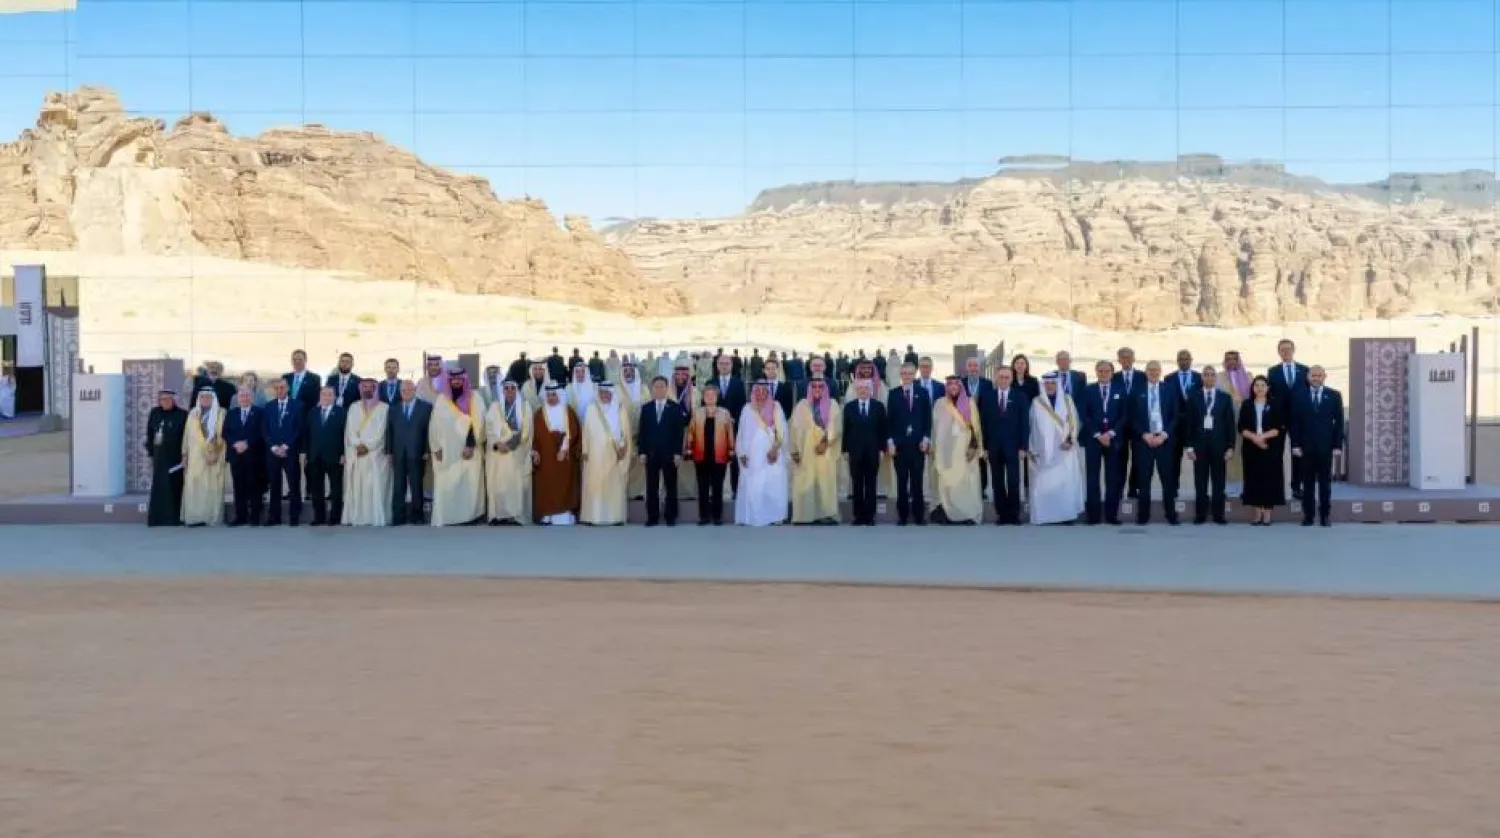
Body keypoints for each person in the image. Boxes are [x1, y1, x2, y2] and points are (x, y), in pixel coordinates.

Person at [429, 365, 486, 527]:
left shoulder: (475, 398)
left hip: (469, 450)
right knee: (448, 482)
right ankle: (449, 516)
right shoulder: (442, 399)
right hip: (447, 451)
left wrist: (470, 445)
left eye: (459, 379)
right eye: (453, 379)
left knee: (469, 483)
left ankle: (469, 517)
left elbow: (479, 424)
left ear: (464, 380)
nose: (456, 382)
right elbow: (434, 425)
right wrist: (436, 448)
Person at [1289, 365, 1344, 528]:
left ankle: (1325, 515)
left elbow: (1339, 423)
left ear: (1325, 376)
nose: (1316, 378)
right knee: (1307, 484)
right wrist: (1295, 444)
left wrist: (1337, 445)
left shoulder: (1334, 395)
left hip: (1325, 448)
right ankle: (1308, 516)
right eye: (1313, 375)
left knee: (1325, 484)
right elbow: (1295, 423)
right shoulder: (1298, 396)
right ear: (1308, 377)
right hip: (1305, 448)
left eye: (1319, 375)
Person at [1027, 373, 1084, 525]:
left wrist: (1070, 440)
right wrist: (1032, 448)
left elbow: (1074, 423)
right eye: (1047, 383)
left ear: (1057, 384)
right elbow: (1032, 427)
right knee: (1046, 483)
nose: (1050, 386)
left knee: (1065, 483)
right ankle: (1046, 516)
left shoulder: (1067, 400)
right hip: (1044, 451)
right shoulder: (1037, 402)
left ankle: (1066, 516)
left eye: (1052, 383)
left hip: (1065, 449)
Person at [1129, 361, 1181, 526]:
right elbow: (1132, 417)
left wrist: (1164, 435)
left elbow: (1175, 415)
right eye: (1150, 370)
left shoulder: (1170, 389)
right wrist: (1144, 434)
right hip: (1144, 441)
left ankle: (1171, 514)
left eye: (1156, 370)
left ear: (1160, 371)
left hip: (1164, 440)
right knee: (1144, 481)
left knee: (1168, 480)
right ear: (1145, 372)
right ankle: (1143, 515)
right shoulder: (1136, 391)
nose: (1153, 372)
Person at [1185, 366, 1236, 526]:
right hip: (1199, 447)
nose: (1209, 377)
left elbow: (1230, 425)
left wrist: (1230, 447)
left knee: (1219, 482)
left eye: (1212, 374)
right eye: (1206, 374)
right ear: (1202, 378)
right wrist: (1189, 447)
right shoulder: (1193, 397)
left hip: (1219, 447)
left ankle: (1218, 514)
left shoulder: (1225, 398)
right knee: (1200, 482)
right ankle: (1200, 514)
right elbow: (1188, 424)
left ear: (1216, 378)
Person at [789, 377, 843, 525]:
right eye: (814, 387)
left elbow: (836, 426)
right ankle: (804, 516)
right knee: (805, 482)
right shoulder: (802, 405)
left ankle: (827, 515)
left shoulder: (833, 404)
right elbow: (793, 428)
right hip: (806, 452)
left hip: (825, 451)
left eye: (820, 387)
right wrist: (794, 450)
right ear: (809, 389)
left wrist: (826, 441)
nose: (817, 390)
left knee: (825, 484)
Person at [734, 380, 789, 526]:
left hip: (773, 453)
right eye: (758, 391)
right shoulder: (747, 408)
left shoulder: (776, 407)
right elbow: (741, 433)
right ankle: (753, 516)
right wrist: (742, 453)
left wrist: (775, 449)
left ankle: (775, 516)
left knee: (774, 483)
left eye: (765, 391)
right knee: (755, 484)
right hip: (753, 455)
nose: (761, 394)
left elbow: (782, 431)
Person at [979, 366, 1029, 525]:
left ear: (1011, 379)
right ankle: (1002, 514)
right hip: (993, 447)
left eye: (1007, 377)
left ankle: (1014, 515)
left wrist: (1023, 447)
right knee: (997, 482)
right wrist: (984, 447)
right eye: (1001, 377)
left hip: (1014, 447)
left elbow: (1024, 424)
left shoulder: (1020, 397)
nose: (1004, 380)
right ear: (995, 378)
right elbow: (983, 424)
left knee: (1014, 482)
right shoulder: (987, 397)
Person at [931, 376, 984, 525]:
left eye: (956, 384)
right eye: (950, 385)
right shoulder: (940, 403)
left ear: (960, 387)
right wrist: (935, 449)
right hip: (946, 451)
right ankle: (948, 514)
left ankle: (966, 514)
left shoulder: (969, 402)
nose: (953, 387)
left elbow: (975, 427)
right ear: (946, 387)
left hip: (964, 450)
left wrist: (974, 447)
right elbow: (935, 428)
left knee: (965, 483)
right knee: (947, 483)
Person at [1080, 360, 1126, 525]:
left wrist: (1111, 433)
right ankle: (1093, 516)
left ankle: (1111, 515)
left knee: (1112, 478)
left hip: (1113, 439)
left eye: (1106, 371)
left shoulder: (1121, 390)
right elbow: (1084, 415)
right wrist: (1098, 434)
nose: (1103, 374)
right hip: (1094, 439)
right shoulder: (1088, 390)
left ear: (1112, 373)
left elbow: (1124, 415)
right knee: (1092, 478)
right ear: (1096, 372)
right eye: (1100, 371)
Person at [580, 382, 633, 526]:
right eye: (602, 393)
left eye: (607, 393)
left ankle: (615, 517)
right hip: (594, 454)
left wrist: (622, 447)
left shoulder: (620, 408)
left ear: (612, 393)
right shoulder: (591, 409)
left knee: (613, 486)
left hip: (614, 453)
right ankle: (593, 517)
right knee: (595, 485)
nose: (604, 396)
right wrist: (585, 450)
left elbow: (625, 431)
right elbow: (586, 431)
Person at [886, 363, 931, 526]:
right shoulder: (893, 394)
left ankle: (919, 516)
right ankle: (903, 516)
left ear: (915, 374)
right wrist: (890, 441)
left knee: (917, 482)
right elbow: (889, 421)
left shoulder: (923, 393)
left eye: (910, 373)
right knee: (902, 482)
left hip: (918, 445)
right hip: (899, 446)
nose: (907, 376)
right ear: (900, 374)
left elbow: (927, 418)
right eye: (904, 373)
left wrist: (926, 439)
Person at [342, 378, 392, 527]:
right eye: (365, 387)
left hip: (375, 455)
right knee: (358, 487)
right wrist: (357, 445)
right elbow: (350, 430)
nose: (368, 389)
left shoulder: (384, 408)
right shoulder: (353, 407)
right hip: (357, 454)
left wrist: (368, 446)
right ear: (360, 389)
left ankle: (373, 517)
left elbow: (382, 432)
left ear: (376, 389)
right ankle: (357, 517)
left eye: (371, 387)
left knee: (374, 486)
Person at [1238, 375, 1286, 526]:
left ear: (1267, 388)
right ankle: (1257, 513)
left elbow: (1279, 427)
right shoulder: (1247, 404)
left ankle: (1267, 514)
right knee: (1254, 480)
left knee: (1270, 480)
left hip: (1271, 448)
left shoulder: (1275, 404)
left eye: (1262, 385)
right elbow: (1241, 427)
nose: (1259, 388)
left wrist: (1263, 437)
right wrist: (1255, 438)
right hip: (1251, 448)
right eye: (1256, 385)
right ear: (1252, 388)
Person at [483, 379, 532, 526]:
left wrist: (510, 445)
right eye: (506, 389)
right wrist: (498, 444)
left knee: (514, 484)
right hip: (497, 453)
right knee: (497, 484)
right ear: (502, 391)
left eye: (512, 388)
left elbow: (526, 431)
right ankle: (497, 516)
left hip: (515, 452)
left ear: (516, 390)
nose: (509, 391)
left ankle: (514, 515)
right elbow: (489, 429)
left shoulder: (524, 407)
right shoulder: (494, 407)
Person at [637, 376, 685, 526]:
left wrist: (678, 453)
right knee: (652, 487)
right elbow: (642, 432)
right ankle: (652, 517)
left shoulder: (675, 407)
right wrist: (642, 452)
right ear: (652, 389)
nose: (659, 389)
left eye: (661, 386)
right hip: (651, 454)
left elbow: (679, 433)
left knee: (671, 486)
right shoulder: (646, 408)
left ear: (667, 388)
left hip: (670, 454)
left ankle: (670, 517)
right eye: (656, 387)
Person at [531, 384, 582, 525]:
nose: (551, 398)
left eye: (554, 395)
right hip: (545, 457)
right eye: (548, 395)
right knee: (547, 484)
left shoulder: (568, 412)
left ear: (559, 395)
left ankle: (565, 513)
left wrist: (564, 449)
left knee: (565, 483)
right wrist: (534, 451)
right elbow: (533, 436)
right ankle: (547, 514)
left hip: (564, 456)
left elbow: (573, 432)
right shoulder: (539, 414)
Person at [687, 382, 735, 525]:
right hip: (701, 455)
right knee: (702, 487)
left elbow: (730, 434)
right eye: (707, 395)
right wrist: (689, 448)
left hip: (719, 455)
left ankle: (717, 516)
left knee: (717, 487)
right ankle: (704, 516)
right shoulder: (697, 412)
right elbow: (691, 432)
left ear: (717, 397)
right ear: (703, 397)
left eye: (712, 395)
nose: (709, 397)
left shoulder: (725, 413)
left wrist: (731, 450)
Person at [1268, 339, 1310, 501]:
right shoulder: (1273, 371)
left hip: (1299, 420)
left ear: (1294, 350)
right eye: (1282, 350)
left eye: (1288, 349)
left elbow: (1308, 394)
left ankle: (1296, 486)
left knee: (1298, 453)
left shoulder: (1304, 370)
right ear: (1278, 352)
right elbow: (1270, 396)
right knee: (1275, 452)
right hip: (1279, 420)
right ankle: (1275, 486)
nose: (1286, 352)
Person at [842, 378, 886, 526]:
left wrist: (882, 448)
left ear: (870, 390)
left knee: (871, 484)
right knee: (857, 484)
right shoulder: (849, 407)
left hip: (873, 451)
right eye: (860, 388)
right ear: (856, 390)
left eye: (866, 388)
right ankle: (858, 516)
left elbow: (882, 430)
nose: (863, 390)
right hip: (855, 452)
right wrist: (845, 450)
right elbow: (845, 431)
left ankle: (870, 516)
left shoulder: (879, 407)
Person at [181, 388, 228, 526]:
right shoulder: (193, 414)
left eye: (208, 397)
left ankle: (211, 517)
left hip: (214, 455)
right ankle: (195, 517)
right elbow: (186, 436)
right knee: (195, 486)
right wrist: (184, 454)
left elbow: (224, 435)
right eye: (202, 397)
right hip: (196, 456)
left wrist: (215, 452)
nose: (205, 400)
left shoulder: (221, 413)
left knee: (212, 487)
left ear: (213, 399)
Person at [387, 380, 432, 526]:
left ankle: (417, 516)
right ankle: (398, 517)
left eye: (409, 390)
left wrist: (427, 450)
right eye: (403, 390)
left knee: (416, 485)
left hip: (418, 453)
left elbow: (429, 432)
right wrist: (389, 451)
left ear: (415, 390)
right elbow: (389, 431)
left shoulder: (426, 407)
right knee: (398, 486)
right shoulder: (394, 409)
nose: (406, 393)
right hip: (398, 453)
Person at [303, 386, 347, 526]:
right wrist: (306, 454)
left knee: (336, 488)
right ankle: (319, 517)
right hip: (315, 456)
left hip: (334, 456)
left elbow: (345, 435)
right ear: (319, 397)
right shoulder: (312, 412)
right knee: (317, 489)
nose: (326, 397)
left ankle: (335, 517)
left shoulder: (341, 412)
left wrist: (343, 453)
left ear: (334, 397)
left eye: (329, 395)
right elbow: (307, 434)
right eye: (323, 394)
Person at [262, 378, 303, 526]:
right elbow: (264, 429)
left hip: (289, 452)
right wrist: (273, 447)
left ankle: (294, 516)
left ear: (288, 389)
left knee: (293, 484)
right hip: (272, 452)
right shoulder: (268, 406)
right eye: (277, 388)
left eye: (282, 388)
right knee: (274, 484)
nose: (279, 391)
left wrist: (285, 446)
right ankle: (274, 516)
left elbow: (298, 429)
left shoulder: (297, 406)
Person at [144, 389, 188, 526]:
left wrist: (185, 455)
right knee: (159, 487)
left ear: (174, 400)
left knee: (175, 486)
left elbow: (186, 437)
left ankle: (174, 518)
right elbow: (150, 433)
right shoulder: (155, 413)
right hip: (159, 457)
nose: (165, 402)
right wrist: (151, 453)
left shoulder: (182, 414)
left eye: (168, 399)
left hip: (175, 457)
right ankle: (157, 519)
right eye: (162, 399)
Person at [223, 385, 265, 526]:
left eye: (247, 396)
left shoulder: (259, 412)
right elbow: (226, 433)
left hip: (253, 455)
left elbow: (261, 432)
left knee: (254, 486)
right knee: (238, 486)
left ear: (252, 398)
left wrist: (247, 443)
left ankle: (255, 516)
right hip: (236, 455)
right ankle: (240, 516)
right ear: (237, 398)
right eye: (242, 396)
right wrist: (235, 444)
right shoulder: (231, 413)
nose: (244, 398)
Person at [1112, 347, 1146, 498]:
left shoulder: (1142, 376)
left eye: (1128, 357)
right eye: (1123, 357)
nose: (1126, 360)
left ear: (1134, 359)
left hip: (1138, 425)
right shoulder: (1113, 377)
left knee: (1138, 458)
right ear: (1118, 360)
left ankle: (1134, 489)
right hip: (1120, 426)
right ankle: (1118, 490)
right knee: (1120, 459)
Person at [1220, 350, 1252, 483]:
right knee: (1229, 451)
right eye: (1228, 359)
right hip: (1226, 422)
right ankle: (1229, 483)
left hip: (1245, 422)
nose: (1231, 361)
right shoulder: (1219, 377)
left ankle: (1243, 483)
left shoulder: (1248, 376)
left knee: (1244, 452)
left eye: (1234, 359)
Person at [617, 362, 648, 500]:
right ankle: (623, 491)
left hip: (642, 432)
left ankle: (639, 491)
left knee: (640, 464)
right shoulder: (616, 389)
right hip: (622, 433)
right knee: (624, 462)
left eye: (630, 371)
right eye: (625, 371)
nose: (628, 373)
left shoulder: (644, 389)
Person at [283, 349, 322, 415]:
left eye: (300, 359)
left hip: (305, 415)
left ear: (305, 360)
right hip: (288, 415)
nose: (297, 361)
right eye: (294, 359)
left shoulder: (314, 379)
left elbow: (316, 400)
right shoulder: (286, 377)